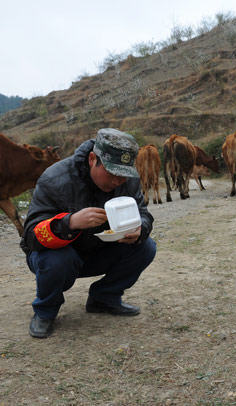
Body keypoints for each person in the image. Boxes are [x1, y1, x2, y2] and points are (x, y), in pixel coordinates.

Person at [20, 128, 156, 338]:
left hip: (98, 250)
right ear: (93, 159)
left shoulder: (128, 180)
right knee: (57, 259)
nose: (118, 181)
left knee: (146, 247)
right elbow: (30, 237)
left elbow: (143, 214)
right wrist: (70, 222)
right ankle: (45, 311)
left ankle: (104, 298)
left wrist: (140, 229)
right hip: (58, 256)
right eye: (112, 173)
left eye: (123, 175)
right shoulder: (55, 179)